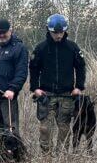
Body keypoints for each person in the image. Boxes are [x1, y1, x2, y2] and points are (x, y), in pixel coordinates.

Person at [29, 14, 86, 153]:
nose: (58, 35)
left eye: (61, 32)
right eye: (55, 32)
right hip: (46, 94)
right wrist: (35, 88)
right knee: (45, 128)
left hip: (67, 94)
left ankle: (61, 156)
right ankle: (46, 155)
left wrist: (79, 87)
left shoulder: (72, 47)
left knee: (64, 128)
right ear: (49, 31)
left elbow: (81, 67)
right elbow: (33, 69)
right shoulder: (40, 48)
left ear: (65, 31)